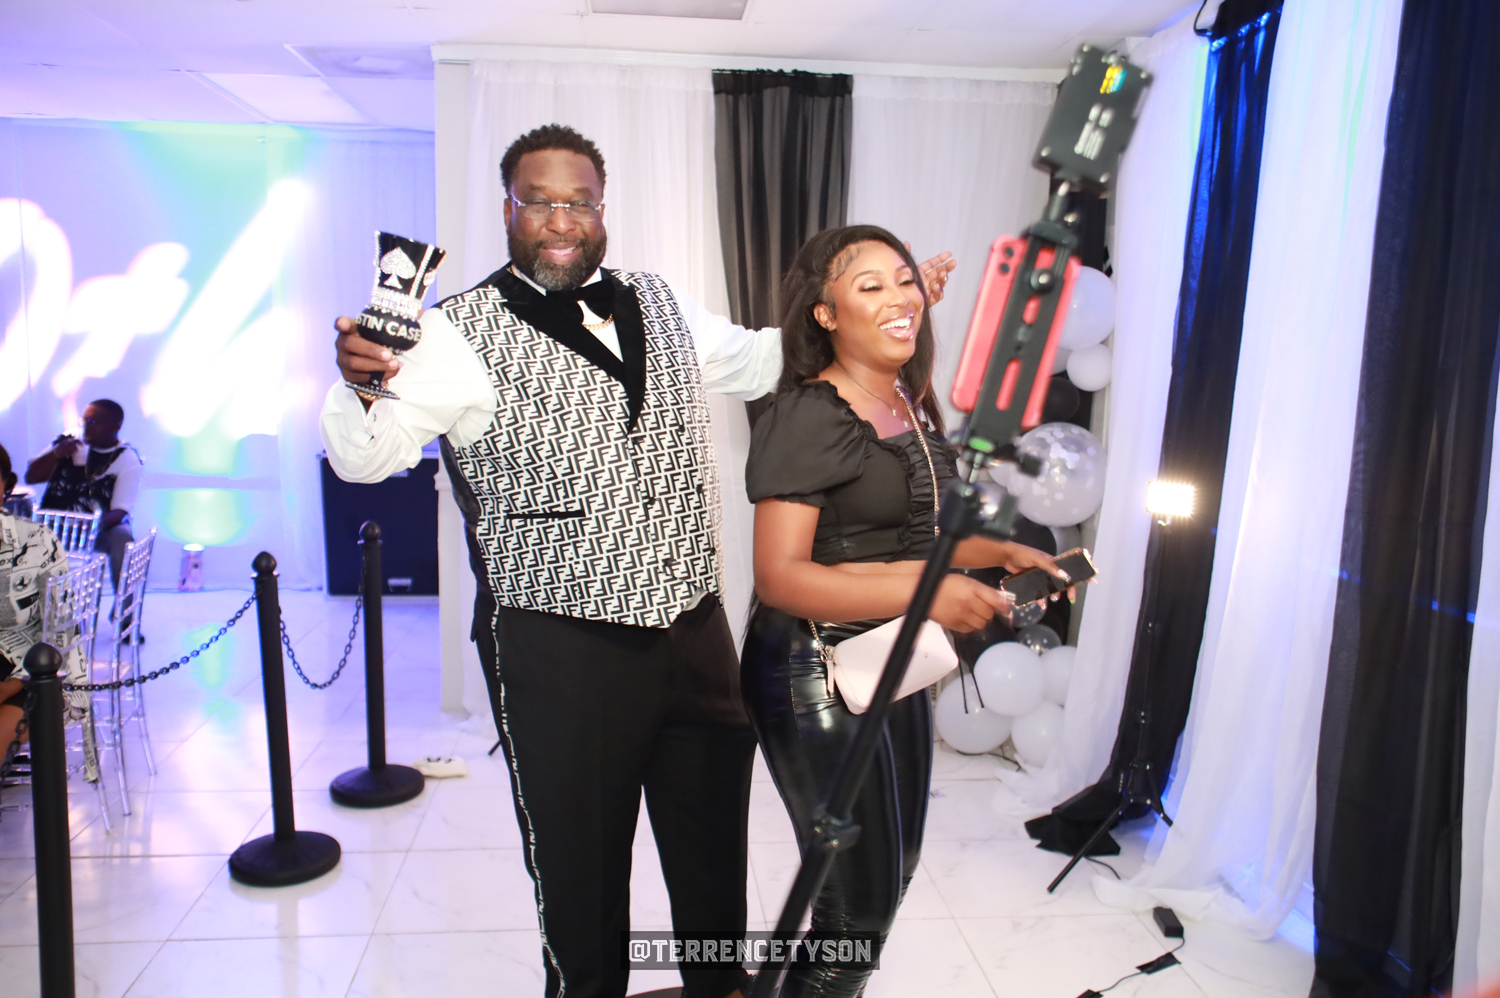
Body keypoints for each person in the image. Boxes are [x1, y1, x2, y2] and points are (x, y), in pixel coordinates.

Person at [321, 123, 958, 998]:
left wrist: (874, 310)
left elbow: (760, 359)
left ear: (601, 209)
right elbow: (366, 457)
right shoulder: (452, 332)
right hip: (557, 647)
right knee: (580, 879)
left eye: (578, 201)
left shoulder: (658, 300)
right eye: (539, 201)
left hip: (694, 635)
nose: (560, 219)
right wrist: (361, 382)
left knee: (712, 859)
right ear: (507, 210)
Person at [741, 225, 1066, 997]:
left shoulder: (905, 402)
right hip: (812, 667)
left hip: (891, 656)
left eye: (904, 281)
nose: (900, 299)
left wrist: (999, 552)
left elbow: (911, 533)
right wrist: (932, 593)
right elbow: (781, 578)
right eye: (870, 286)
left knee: (894, 873)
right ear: (825, 314)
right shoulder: (809, 414)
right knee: (853, 916)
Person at [25, 399, 141, 589]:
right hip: (53, 524)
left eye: (93, 422)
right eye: (84, 420)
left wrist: (86, 526)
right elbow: (31, 477)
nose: (86, 426)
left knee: (122, 539)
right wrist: (56, 453)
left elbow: (121, 511)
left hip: (95, 529)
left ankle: (124, 603)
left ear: (115, 427)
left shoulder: (127, 459)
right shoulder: (70, 439)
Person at [0, 444, 69, 759]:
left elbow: (61, 633)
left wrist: (13, 683)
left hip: (31, 679)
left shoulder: (37, 541)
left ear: (6, 487)